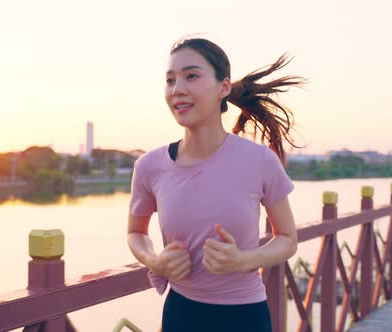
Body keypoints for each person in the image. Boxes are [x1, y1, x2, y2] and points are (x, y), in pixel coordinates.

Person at [127, 37, 305, 332]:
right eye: (170, 80)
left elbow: (287, 239)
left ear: (223, 87)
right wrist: (155, 261)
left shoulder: (259, 160)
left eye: (191, 76)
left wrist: (245, 260)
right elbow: (136, 232)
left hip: (245, 316)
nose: (177, 89)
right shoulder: (149, 167)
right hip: (181, 314)